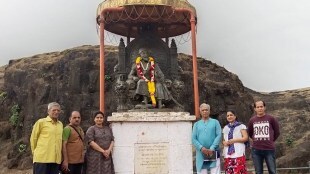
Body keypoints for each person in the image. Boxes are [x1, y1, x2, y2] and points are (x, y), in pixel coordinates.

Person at [30, 102, 63, 174]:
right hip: (42, 159)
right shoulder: (41, 122)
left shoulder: (60, 124)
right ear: (48, 111)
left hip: (55, 160)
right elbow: (33, 139)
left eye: (58, 110)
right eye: (54, 110)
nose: (56, 112)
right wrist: (35, 153)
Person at [247, 101, 280, 174]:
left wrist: (271, 141)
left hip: (269, 150)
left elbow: (277, 132)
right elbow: (250, 133)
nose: (260, 108)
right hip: (256, 151)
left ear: (265, 107)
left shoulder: (271, 118)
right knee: (258, 172)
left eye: (261, 106)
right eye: (258, 107)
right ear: (255, 109)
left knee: (272, 171)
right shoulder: (252, 120)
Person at [192, 103, 222, 174]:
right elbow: (193, 138)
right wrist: (201, 148)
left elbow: (219, 135)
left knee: (215, 171)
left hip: (213, 151)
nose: (205, 111)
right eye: (203, 110)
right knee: (202, 171)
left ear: (209, 111)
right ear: (200, 112)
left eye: (206, 110)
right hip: (201, 152)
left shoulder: (215, 122)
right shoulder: (196, 124)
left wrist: (212, 148)